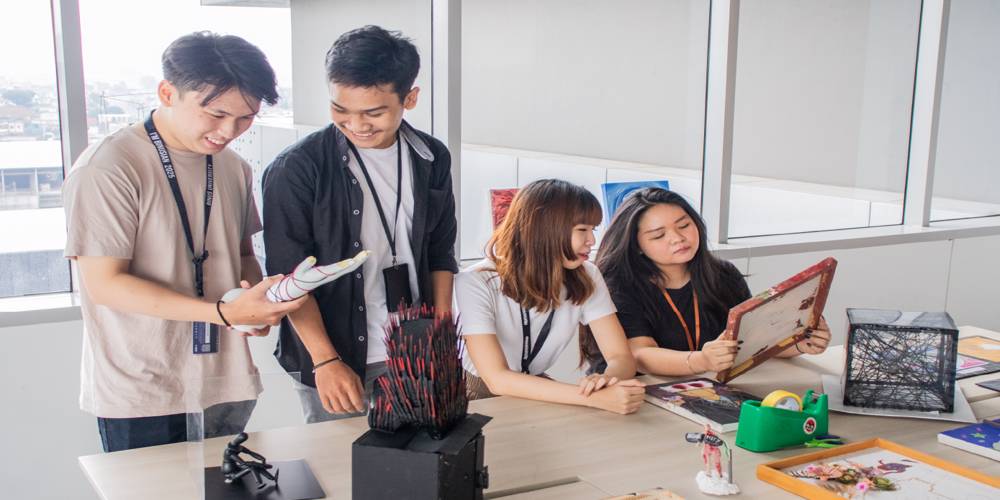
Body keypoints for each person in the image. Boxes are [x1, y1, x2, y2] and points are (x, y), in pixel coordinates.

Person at [63, 32, 305, 452]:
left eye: (246, 118)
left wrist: (255, 304)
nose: (229, 131)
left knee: (226, 483)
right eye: (216, 114)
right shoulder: (109, 167)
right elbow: (105, 285)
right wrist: (222, 313)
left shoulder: (233, 167)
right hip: (143, 388)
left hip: (226, 379)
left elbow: (242, 254)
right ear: (167, 93)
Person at [262, 26, 458, 423]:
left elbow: (440, 252)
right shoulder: (296, 169)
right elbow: (288, 280)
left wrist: (440, 340)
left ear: (410, 98)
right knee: (340, 461)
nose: (356, 124)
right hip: (336, 356)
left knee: (418, 457)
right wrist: (325, 361)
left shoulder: (431, 156)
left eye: (374, 113)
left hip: (413, 351)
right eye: (341, 110)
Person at [582, 188, 830, 376]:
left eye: (684, 225)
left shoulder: (722, 274)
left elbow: (752, 340)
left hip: (703, 388)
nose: (677, 238)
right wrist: (702, 360)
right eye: (659, 235)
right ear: (636, 245)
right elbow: (639, 355)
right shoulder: (619, 286)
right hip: (637, 394)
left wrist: (799, 343)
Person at [455, 179, 645, 415]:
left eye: (593, 230)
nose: (592, 241)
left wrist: (605, 382)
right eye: (582, 230)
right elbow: (497, 379)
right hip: (475, 393)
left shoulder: (587, 274)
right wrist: (592, 398)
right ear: (544, 229)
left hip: (536, 386)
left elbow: (621, 357)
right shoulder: (475, 282)